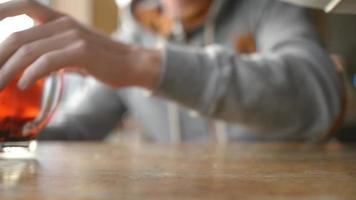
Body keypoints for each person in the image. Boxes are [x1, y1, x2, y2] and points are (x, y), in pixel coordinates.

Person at [0, 0, 344, 142]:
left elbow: (320, 92)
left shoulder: (269, 10)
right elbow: (76, 129)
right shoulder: (126, 41)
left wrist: (144, 65)